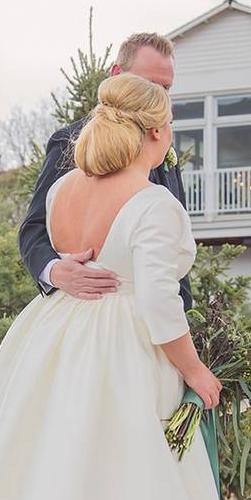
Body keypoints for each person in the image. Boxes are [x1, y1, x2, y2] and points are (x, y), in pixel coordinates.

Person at [0, 73, 223, 500]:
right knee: (123, 471)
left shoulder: (64, 189)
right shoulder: (155, 203)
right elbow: (160, 304)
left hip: (52, 335)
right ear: (158, 130)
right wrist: (198, 373)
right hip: (123, 348)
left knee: (38, 456)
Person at [19, 32, 185, 304]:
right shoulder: (72, 142)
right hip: (96, 312)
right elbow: (34, 226)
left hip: (161, 313)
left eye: (166, 89)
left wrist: (186, 318)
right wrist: (55, 271)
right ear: (116, 74)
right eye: (149, 83)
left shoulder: (164, 149)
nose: (159, 97)